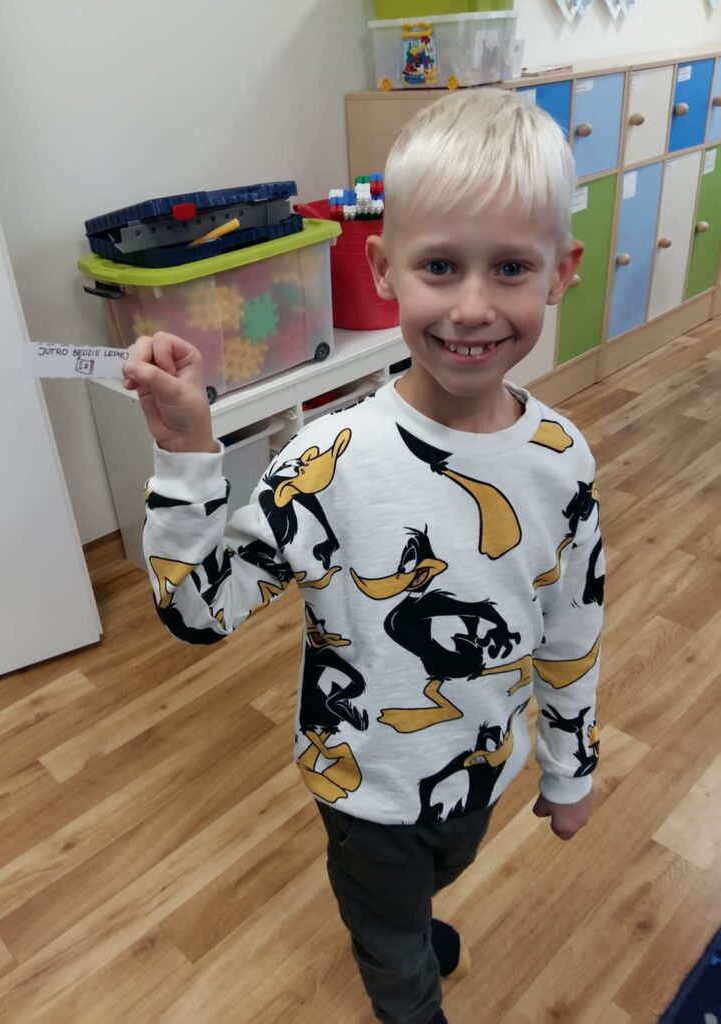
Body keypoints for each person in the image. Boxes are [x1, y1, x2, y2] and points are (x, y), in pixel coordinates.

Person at [122, 87, 604, 1024]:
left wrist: (568, 767)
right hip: (366, 790)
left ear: (560, 272)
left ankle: (410, 924)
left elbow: (572, 628)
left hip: (484, 767)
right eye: (440, 266)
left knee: (428, 887)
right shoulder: (330, 460)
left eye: (510, 267)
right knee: (388, 940)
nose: (472, 307)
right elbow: (198, 610)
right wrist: (186, 455)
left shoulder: (562, 460)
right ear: (384, 269)